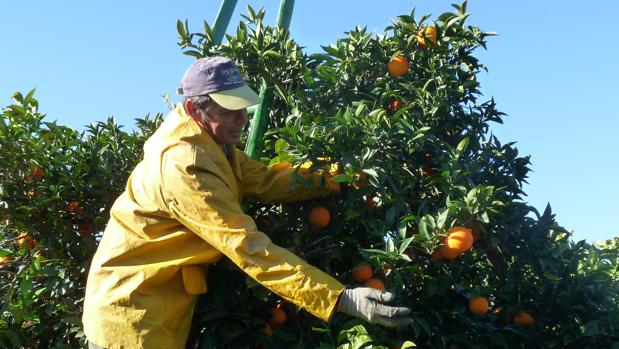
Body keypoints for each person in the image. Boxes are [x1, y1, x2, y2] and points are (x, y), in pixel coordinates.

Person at [82, 56, 413, 349]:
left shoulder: (211, 143)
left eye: (242, 106)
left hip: (160, 301)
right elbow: (246, 246)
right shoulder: (185, 164)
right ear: (196, 109)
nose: (242, 118)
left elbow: (265, 180)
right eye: (229, 109)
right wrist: (340, 298)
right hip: (134, 313)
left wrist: (337, 176)